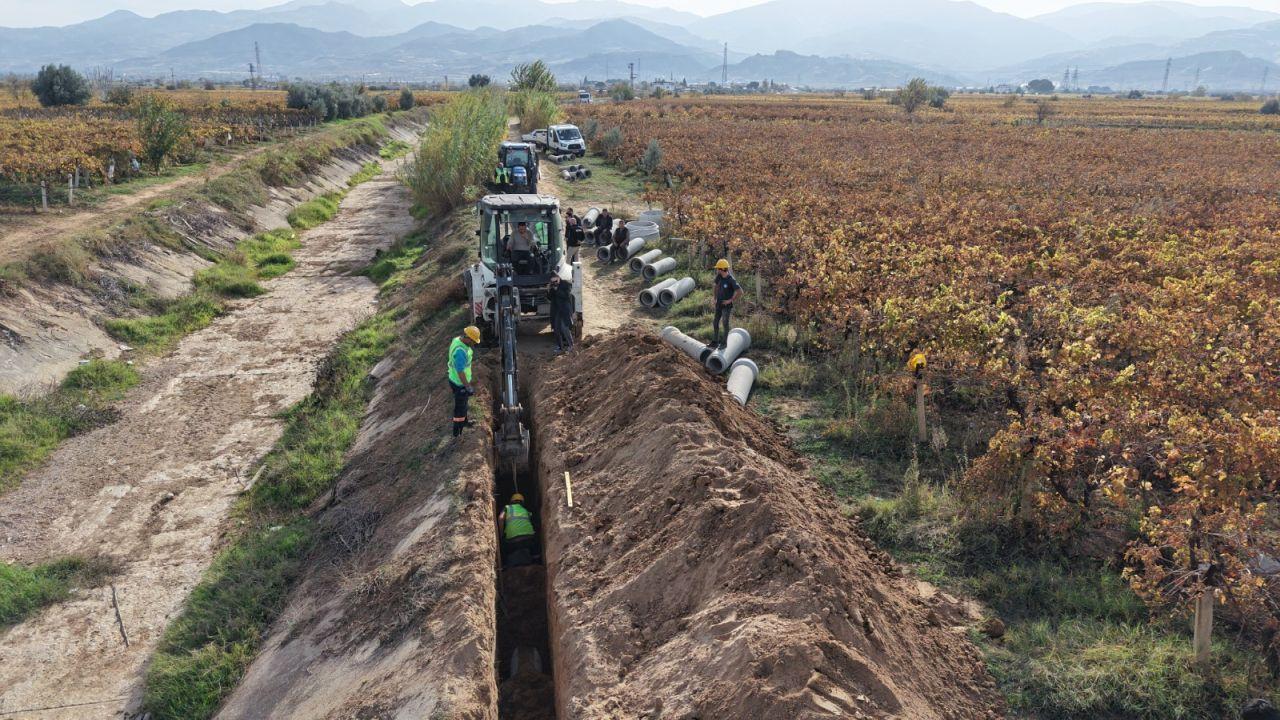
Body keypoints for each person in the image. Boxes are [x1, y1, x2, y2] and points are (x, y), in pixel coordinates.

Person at [447, 325, 481, 437]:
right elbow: (460, 371)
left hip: (455, 379)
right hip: (459, 383)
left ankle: (465, 422)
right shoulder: (461, 351)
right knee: (460, 408)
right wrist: (467, 386)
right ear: (468, 338)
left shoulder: (457, 340)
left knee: (464, 404)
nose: (474, 344)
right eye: (473, 341)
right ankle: (457, 433)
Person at [499, 493, 537, 566]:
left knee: (503, 548)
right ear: (522, 503)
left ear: (511, 501)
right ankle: (535, 559)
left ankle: (505, 566)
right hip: (529, 540)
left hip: (512, 541)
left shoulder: (507, 507)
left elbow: (501, 518)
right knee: (535, 546)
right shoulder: (526, 511)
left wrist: (501, 534)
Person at [711, 258, 742, 348]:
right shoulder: (719, 277)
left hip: (726, 306)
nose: (717, 270)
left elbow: (740, 291)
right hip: (718, 304)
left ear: (722, 269)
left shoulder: (731, 280)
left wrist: (730, 300)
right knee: (715, 322)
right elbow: (716, 286)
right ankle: (715, 341)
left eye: (718, 268)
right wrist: (715, 298)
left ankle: (724, 343)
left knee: (725, 323)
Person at [548, 274, 575, 353]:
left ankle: (571, 346)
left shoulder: (566, 284)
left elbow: (566, 296)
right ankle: (560, 347)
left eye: (556, 281)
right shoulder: (552, 286)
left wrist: (557, 290)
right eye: (553, 281)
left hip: (564, 310)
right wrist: (549, 290)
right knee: (556, 329)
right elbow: (549, 298)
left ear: (559, 278)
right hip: (556, 311)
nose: (555, 283)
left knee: (565, 328)